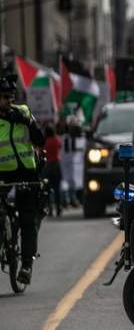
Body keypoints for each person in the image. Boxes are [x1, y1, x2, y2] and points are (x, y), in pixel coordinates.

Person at [0, 74, 45, 284]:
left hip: (27, 174)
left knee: (28, 219)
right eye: (3, 97)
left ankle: (26, 265)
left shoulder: (24, 112)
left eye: (10, 96)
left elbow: (40, 140)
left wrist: (29, 123)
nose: (8, 101)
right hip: (3, 175)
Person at [43, 124, 62, 216]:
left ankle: (50, 209)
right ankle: (58, 208)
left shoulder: (45, 141)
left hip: (48, 166)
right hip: (56, 165)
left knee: (48, 189)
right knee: (57, 189)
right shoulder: (56, 139)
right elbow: (60, 147)